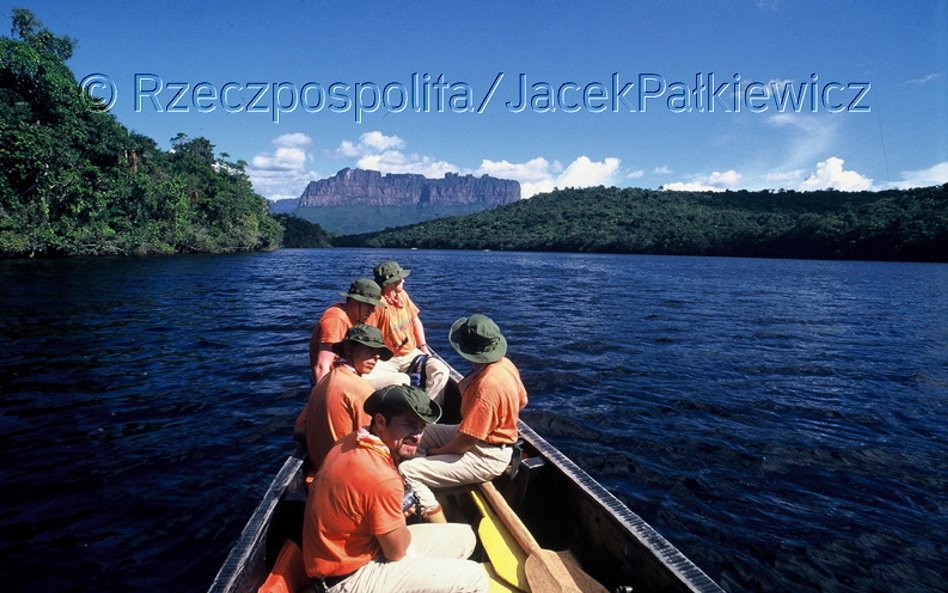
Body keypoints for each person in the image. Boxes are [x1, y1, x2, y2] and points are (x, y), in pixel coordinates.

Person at [303, 384, 488, 593]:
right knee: (475, 578)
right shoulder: (382, 478)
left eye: (421, 426)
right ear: (381, 422)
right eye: (409, 424)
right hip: (347, 579)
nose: (418, 436)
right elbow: (396, 552)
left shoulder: (350, 441)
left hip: (346, 555)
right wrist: (399, 517)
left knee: (465, 537)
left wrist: (393, 515)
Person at [398, 314, 527, 523]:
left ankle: (438, 522)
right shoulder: (505, 364)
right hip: (483, 439)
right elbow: (523, 400)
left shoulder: (487, 387)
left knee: (407, 471)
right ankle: (429, 479)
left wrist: (436, 453)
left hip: (486, 456)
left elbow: (467, 441)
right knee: (422, 431)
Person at [296, 324, 392, 471]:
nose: (377, 356)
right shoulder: (361, 390)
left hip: (320, 469)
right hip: (346, 473)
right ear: (348, 349)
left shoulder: (325, 380)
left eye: (378, 352)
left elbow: (299, 429)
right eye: (370, 349)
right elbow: (373, 446)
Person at [366, 260, 450, 403]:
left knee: (441, 371)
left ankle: (426, 415)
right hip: (385, 359)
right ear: (392, 283)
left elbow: (415, 320)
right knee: (379, 381)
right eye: (400, 279)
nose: (404, 280)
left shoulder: (402, 295)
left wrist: (423, 347)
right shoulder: (377, 305)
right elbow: (368, 335)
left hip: (411, 353)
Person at [308, 278, 386, 385]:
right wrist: (323, 397)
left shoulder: (355, 315)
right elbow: (322, 366)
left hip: (350, 371)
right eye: (369, 305)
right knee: (400, 380)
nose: (372, 310)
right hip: (337, 381)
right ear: (355, 301)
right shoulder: (335, 319)